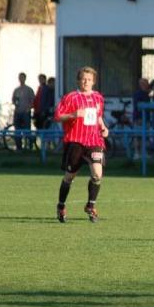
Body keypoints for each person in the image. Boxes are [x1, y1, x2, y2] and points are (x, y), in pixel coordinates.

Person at [54, 66, 109, 224]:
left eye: (89, 79)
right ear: (78, 80)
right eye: (83, 79)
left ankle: (91, 205)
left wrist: (104, 127)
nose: (86, 82)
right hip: (75, 141)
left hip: (94, 141)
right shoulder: (70, 98)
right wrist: (74, 115)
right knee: (69, 177)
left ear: (93, 82)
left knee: (97, 174)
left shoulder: (98, 98)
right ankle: (61, 205)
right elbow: (58, 116)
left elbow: (98, 117)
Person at [12, 72, 35, 151]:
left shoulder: (29, 89)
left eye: (22, 77)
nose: (21, 79)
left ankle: (29, 146)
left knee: (27, 129)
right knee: (17, 130)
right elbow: (13, 100)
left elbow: (33, 101)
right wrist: (15, 102)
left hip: (26, 112)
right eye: (20, 77)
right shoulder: (16, 90)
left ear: (25, 78)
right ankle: (19, 147)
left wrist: (28, 108)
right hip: (17, 112)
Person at [132, 78, 151, 160]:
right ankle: (136, 153)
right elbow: (137, 106)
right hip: (138, 118)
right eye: (143, 83)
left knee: (145, 137)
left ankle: (144, 153)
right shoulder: (138, 94)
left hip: (146, 118)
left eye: (146, 83)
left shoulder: (148, 94)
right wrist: (139, 118)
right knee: (137, 136)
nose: (145, 85)